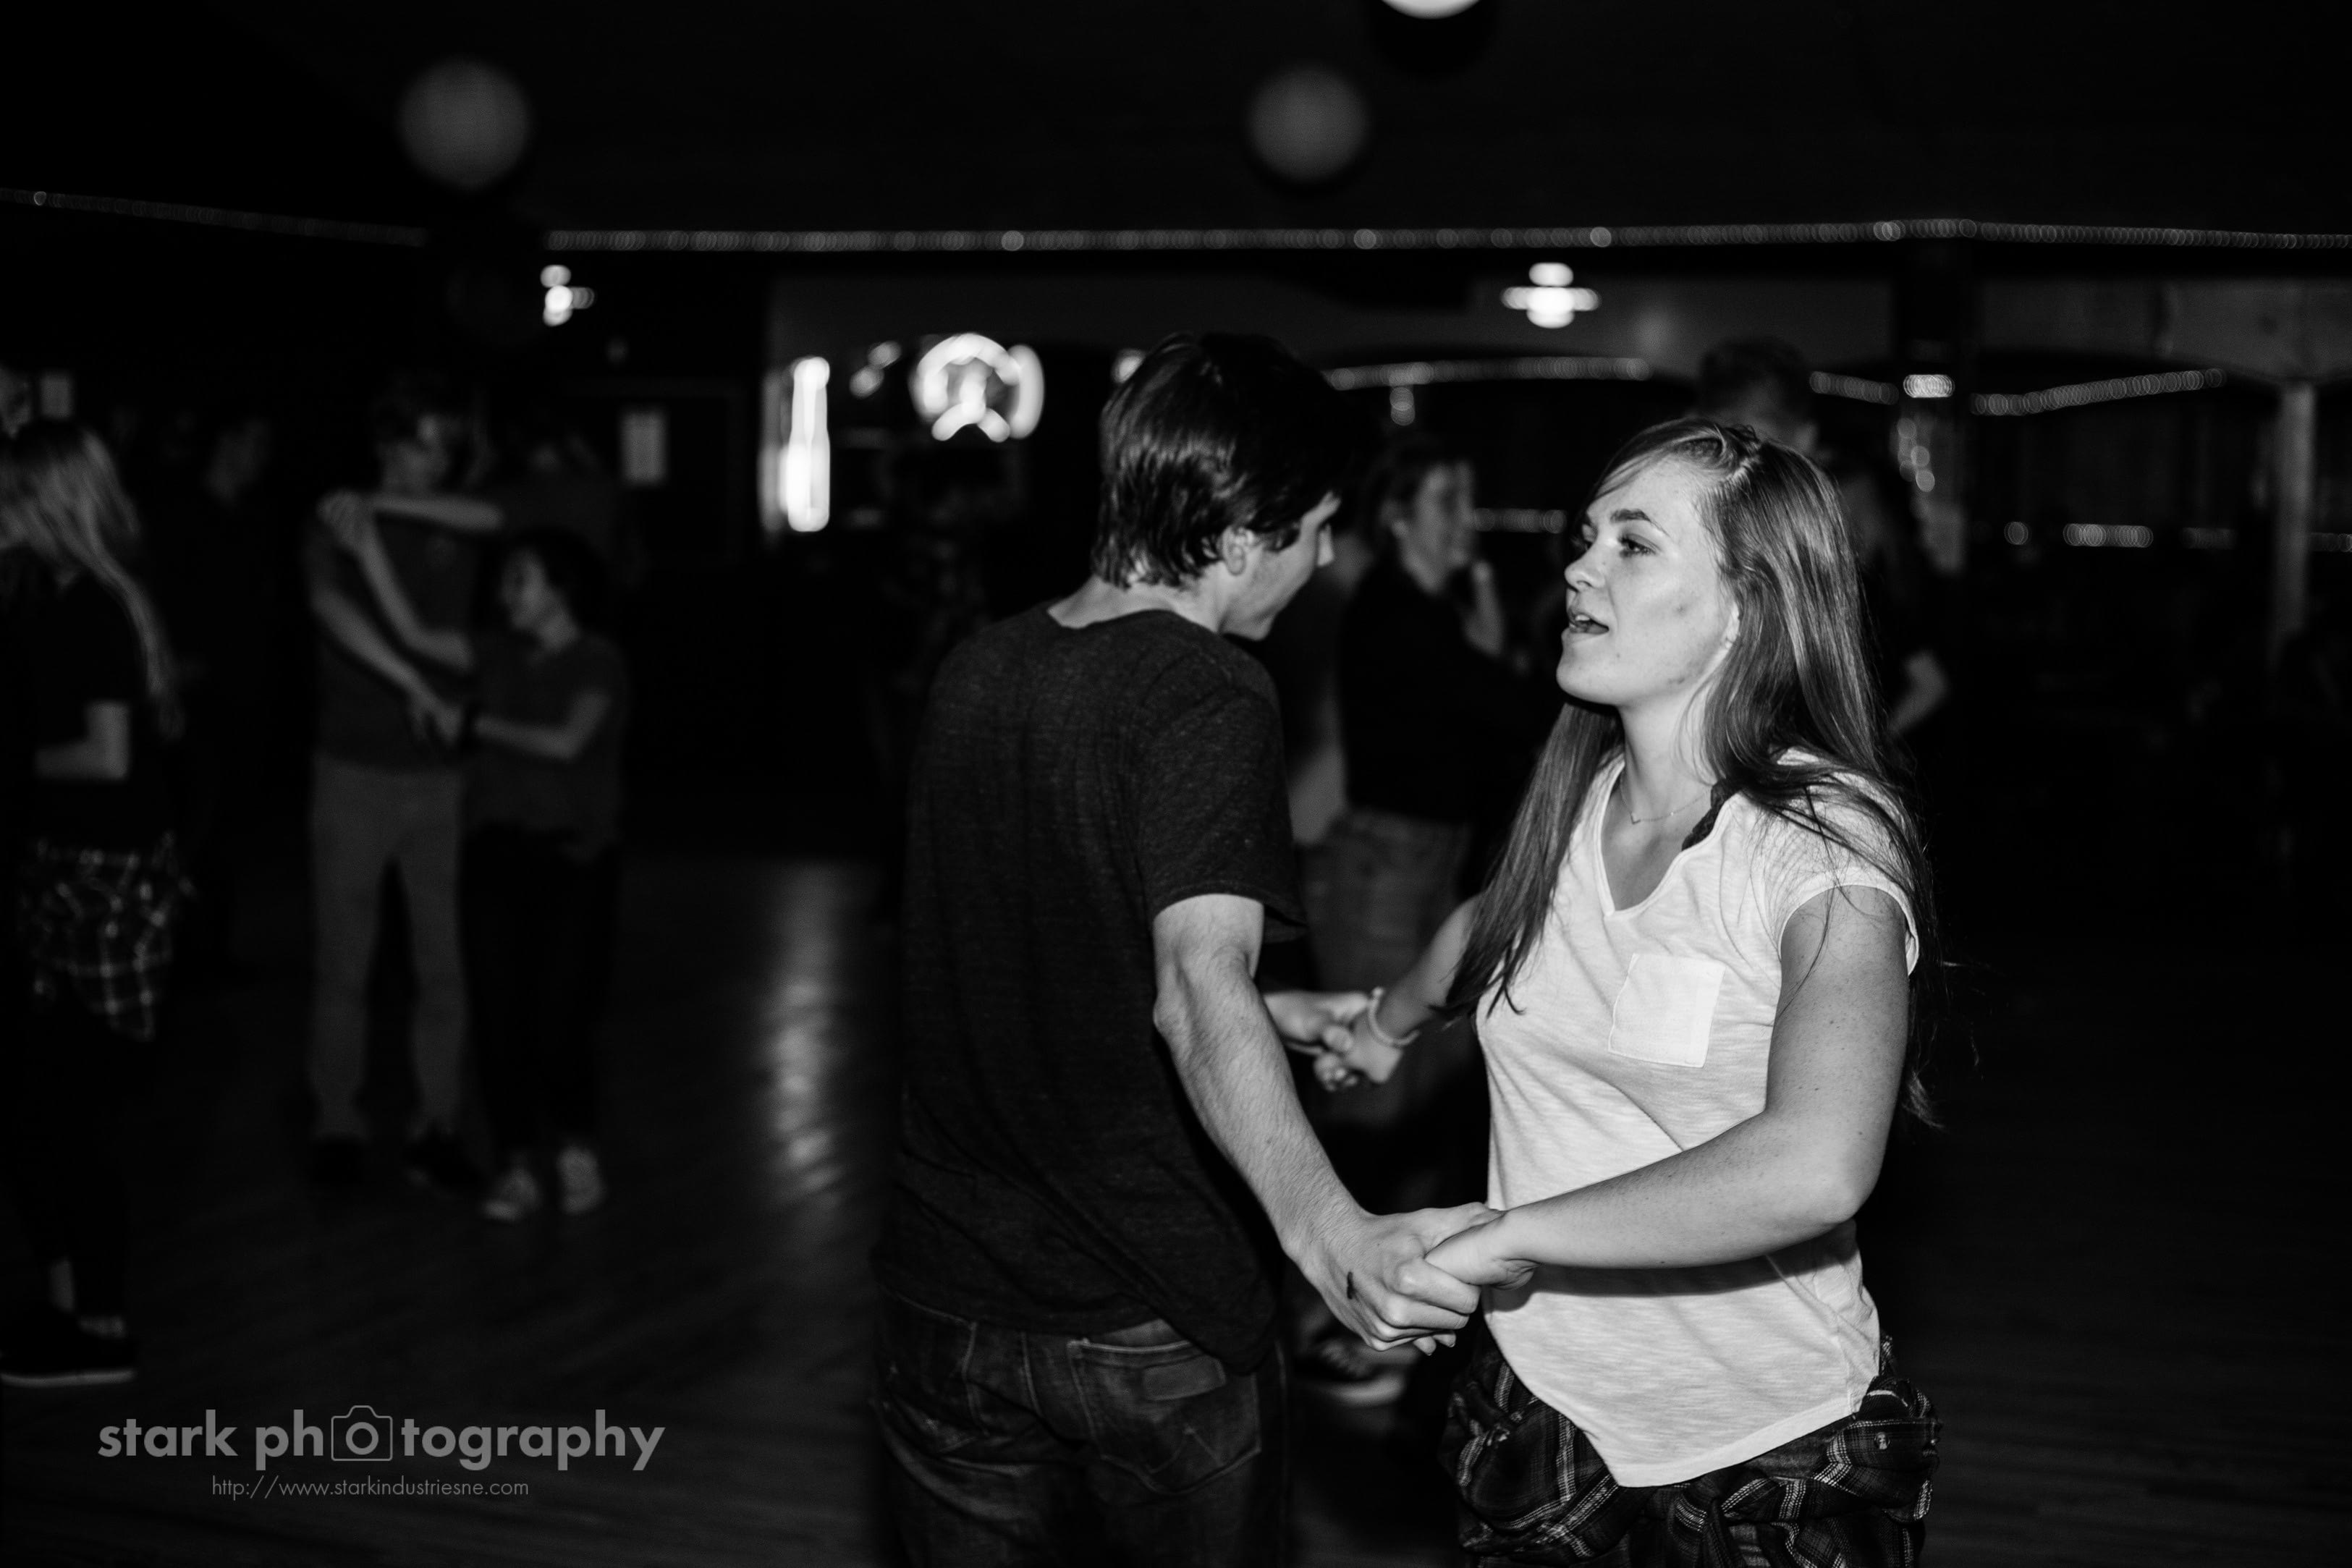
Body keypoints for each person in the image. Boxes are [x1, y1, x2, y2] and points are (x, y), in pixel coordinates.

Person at [868, 333, 1491, 1567]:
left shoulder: (981, 666)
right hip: (1145, 1314)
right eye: (1318, 527)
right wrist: (1333, 1232)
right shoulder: (1207, 691)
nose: (1325, 559)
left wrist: (1273, 1006)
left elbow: (1031, 945)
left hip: (945, 1302)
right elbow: (1194, 986)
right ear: (1242, 534)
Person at [1320, 418, 1942, 1564]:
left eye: (1632, 543)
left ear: (1746, 606)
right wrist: (1383, 1022)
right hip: (1542, 1407)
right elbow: (1493, 921)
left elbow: (1815, 1164)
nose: (1577, 567)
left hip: (1758, 1444)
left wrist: (1502, 1238)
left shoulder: (1821, 846)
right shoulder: (1583, 793)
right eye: (1584, 536)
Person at [1298, 436, 1553, 1404]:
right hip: (1381, 869)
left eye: (1468, 499)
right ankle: (1332, 1320)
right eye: (1446, 501)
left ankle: (1378, 1313)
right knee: (1373, 1103)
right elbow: (1508, 708)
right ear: (1398, 516)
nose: (1464, 521)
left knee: (1421, 1093)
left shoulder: (1430, 611)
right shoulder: (1393, 611)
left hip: (1427, 868)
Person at [329, 510, 628, 1221]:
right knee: (498, 1014)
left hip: (575, 861)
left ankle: (577, 1148)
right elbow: (409, 633)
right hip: (495, 852)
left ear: (561, 589)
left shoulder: (598, 661)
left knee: (560, 1013)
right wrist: (368, 550)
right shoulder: (494, 653)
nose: (505, 593)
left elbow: (566, 741)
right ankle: (516, 1161)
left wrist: (471, 722)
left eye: (520, 580)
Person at [0, 422, 184, 1387]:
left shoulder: (91, 608)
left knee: (71, 1119)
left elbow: (107, 757)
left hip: (104, 885)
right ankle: (70, 1309)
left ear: (42, 499)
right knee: (41, 1112)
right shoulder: (59, 593)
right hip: (72, 873)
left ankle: (102, 1326)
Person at [303, 378, 500, 1193]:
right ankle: (336, 1122)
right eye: (419, 444)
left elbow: (494, 519)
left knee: (443, 964)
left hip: (441, 780)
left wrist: (385, 506)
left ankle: (437, 1123)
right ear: (386, 443)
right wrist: (412, 684)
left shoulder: (452, 519)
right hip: (353, 769)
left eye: (441, 447)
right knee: (344, 962)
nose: (430, 460)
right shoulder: (334, 520)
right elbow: (331, 609)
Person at [1695, 339, 1950, 740]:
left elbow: (1928, 682)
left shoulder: (1835, 555)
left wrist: (1861, 751)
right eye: (1723, 439)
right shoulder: (1704, 548)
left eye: (1755, 440)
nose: (1740, 465)